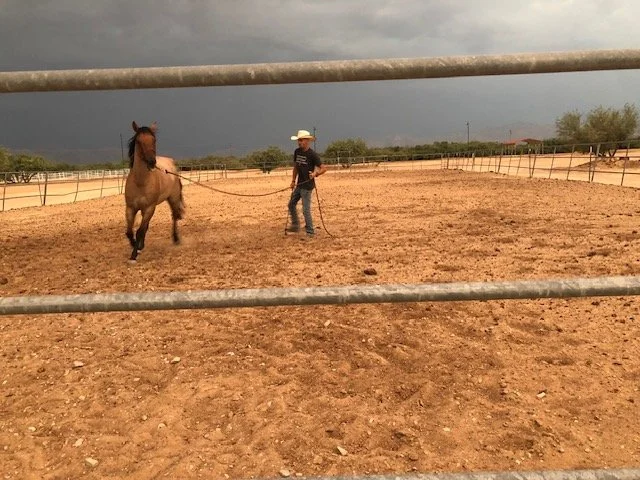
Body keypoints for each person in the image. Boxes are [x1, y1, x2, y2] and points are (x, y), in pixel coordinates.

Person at [287, 129, 327, 236]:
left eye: (301, 140)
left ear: (307, 141)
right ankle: (295, 225)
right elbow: (295, 167)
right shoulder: (297, 152)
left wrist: (315, 174)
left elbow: (323, 168)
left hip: (307, 186)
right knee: (291, 204)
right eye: (298, 140)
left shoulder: (312, 155)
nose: (299, 142)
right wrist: (292, 180)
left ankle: (310, 231)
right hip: (299, 184)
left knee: (305, 209)